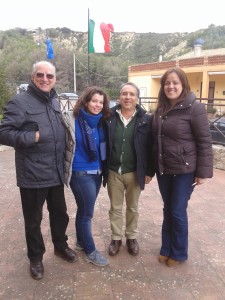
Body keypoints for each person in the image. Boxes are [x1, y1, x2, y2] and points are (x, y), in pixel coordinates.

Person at [0, 61, 77, 280]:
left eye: (49, 76)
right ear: (33, 77)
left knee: (60, 215)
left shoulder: (54, 101)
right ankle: (36, 258)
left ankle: (60, 246)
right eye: (40, 75)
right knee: (33, 220)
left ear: (55, 79)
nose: (45, 79)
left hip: (54, 172)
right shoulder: (19, 102)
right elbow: (4, 132)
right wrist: (30, 137)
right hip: (32, 174)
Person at [152, 67, 213, 267]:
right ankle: (166, 248)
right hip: (164, 169)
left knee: (177, 211)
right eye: (167, 83)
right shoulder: (160, 109)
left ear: (183, 85)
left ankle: (178, 253)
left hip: (185, 170)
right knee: (167, 208)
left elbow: (204, 141)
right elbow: (156, 140)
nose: (171, 86)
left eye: (175, 83)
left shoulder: (194, 108)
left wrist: (202, 173)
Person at [104, 82, 155, 256]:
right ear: (119, 97)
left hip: (135, 172)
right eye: (124, 94)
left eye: (131, 94)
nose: (127, 97)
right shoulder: (109, 117)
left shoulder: (146, 120)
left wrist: (149, 171)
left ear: (137, 98)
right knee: (115, 208)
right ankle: (116, 238)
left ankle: (131, 237)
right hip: (113, 172)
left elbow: (151, 147)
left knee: (133, 208)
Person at [63, 86, 111, 267]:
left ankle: (81, 243)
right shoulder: (72, 119)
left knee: (83, 211)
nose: (97, 105)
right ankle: (91, 251)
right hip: (80, 172)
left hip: (97, 172)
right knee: (87, 214)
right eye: (94, 101)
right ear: (85, 101)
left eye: (101, 102)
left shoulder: (102, 121)